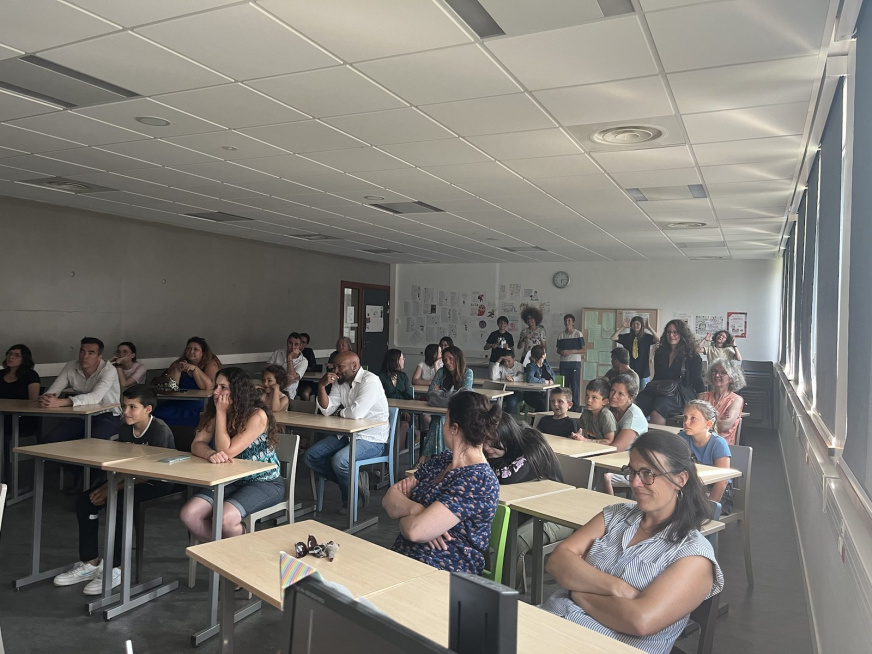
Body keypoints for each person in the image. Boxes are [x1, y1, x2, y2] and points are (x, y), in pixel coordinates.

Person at [542, 430, 724, 654]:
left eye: (648, 473)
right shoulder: (615, 515)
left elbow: (640, 620)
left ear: (680, 479)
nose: (636, 483)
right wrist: (617, 588)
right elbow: (558, 561)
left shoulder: (693, 554)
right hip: (548, 626)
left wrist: (576, 592)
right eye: (632, 472)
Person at [52, 385, 175, 595]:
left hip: (158, 481)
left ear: (148, 409)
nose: (126, 412)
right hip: (129, 478)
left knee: (119, 503)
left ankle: (116, 567)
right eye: (124, 406)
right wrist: (107, 486)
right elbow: (122, 465)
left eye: (132, 407)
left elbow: (151, 473)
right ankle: (91, 563)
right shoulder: (126, 428)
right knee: (86, 501)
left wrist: (112, 490)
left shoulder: (159, 430)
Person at [385, 392, 500, 575]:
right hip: (404, 560)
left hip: (445, 571)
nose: (443, 426)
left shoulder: (480, 480)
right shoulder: (442, 460)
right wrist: (419, 510)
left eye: (445, 420)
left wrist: (406, 516)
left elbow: (415, 531)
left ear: (454, 428)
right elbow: (390, 497)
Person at [180, 368, 284, 541]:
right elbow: (197, 444)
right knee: (189, 515)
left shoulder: (257, 415)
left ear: (237, 390)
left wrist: (221, 412)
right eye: (216, 386)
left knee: (225, 519)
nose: (216, 392)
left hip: (264, 481)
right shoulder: (217, 413)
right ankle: (221, 552)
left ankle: (240, 550)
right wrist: (209, 453)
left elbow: (226, 451)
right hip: (230, 479)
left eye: (223, 387)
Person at [484, 413, 571, 585]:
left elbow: (507, 478)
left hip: (557, 514)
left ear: (507, 436)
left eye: (492, 442)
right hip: (525, 508)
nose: (486, 448)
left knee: (515, 541)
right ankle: (482, 583)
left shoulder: (532, 443)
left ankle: (507, 593)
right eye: (483, 441)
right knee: (480, 525)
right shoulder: (504, 447)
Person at [305, 351, 390, 515]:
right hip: (346, 434)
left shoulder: (370, 381)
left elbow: (356, 413)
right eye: (334, 367)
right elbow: (327, 410)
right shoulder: (340, 382)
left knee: (340, 461)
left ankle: (350, 499)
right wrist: (321, 386)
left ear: (354, 366)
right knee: (311, 456)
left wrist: (340, 412)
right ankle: (356, 483)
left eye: (340, 367)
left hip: (372, 438)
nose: (336, 371)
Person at [39, 337, 122, 444]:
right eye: (82, 352)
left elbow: (95, 397)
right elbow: (54, 390)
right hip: (81, 414)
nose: (84, 356)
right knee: (51, 440)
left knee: (93, 443)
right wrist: (47, 399)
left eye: (91, 353)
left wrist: (62, 402)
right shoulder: (71, 366)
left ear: (99, 357)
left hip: (108, 415)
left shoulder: (109, 370)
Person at [635, 320, 705, 425]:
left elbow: (698, 381)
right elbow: (657, 377)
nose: (671, 335)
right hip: (662, 389)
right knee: (637, 403)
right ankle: (633, 433)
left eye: (675, 332)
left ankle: (656, 436)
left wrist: (698, 406)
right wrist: (647, 391)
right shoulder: (660, 352)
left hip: (681, 393)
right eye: (669, 332)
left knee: (659, 406)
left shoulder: (692, 355)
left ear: (682, 334)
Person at [152, 337, 222, 428]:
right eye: (188, 348)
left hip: (198, 404)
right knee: (158, 413)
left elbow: (209, 386)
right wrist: (177, 370)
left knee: (200, 418)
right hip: (177, 402)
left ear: (203, 353)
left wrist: (195, 369)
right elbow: (171, 387)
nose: (191, 351)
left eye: (195, 349)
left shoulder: (211, 364)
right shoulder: (178, 363)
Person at [679, 400, 733, 515]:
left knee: (690, 512)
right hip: (693, 486)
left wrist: (708, 507)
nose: (686, 422)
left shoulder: (718, 444)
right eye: (685, 417)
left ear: (708, 424)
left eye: (693, 418)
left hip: (718, 491)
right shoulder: (681, 438)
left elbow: (722, 481)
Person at [420, 346, 474, 461]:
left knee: (439, 421)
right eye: (445, 360)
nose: (448, 362)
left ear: (458, 358)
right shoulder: (441, 372)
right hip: (441, 413)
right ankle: (440, 459)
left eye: (450, 358)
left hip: (459, 415)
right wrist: (453, 394)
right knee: (438, 420)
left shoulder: (467, 373)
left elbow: (464, 396)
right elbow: (430, 393)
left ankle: (425, 458)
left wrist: (441, 393)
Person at [603, 374, 649, 495]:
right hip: (608, 462)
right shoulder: (608, 409)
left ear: (630, 398)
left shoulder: (634, 417)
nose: (613, 396)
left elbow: (615, 449)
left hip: (630, 468)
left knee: (592, 477)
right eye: (612, 391)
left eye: (620, 394)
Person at [1, 344, 40, 470]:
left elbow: (33, 401)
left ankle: (5, 475)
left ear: (24, 359)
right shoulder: (1, 374)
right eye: (9, 353)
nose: (11, 357)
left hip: (21, 418)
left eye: (16, 355)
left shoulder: (30, 375)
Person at [699, 358, 746, 445]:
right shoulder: (702, 397)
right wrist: (718, 418)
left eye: (723, 372)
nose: (717, 375)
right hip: (700, 443)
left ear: (731, 378)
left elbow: (724, 426)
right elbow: (693, 421)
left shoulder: (736, 400)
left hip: (722, 446)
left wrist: (704, 418)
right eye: (715, 371)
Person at [611, 316, 659, 390]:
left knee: (644, 392)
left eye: (638, 324)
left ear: (641, 325)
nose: (635, 325)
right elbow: (613, 337)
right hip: (630, 370)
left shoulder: (646, 337)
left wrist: (649, 328)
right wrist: (623, 327)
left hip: (644, 371)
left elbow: (658, 339)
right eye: (633, 324)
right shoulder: (627, 337)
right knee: (630, 391)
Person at [266, 332, 308, 399]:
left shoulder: (303, 361)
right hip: (270, 388)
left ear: (300, 346)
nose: (292, 347)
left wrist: (289, 358)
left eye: (296, 344)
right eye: (290, 343)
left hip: (287, 394)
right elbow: (267, 370)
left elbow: (292, 377)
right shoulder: (278, 353)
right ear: (287, 343)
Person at [556, 314, 585, 409]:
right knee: (564, 387)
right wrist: (561, 352)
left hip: (575, 364)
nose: (567, 323)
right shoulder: (561, 335)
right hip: (564, 364)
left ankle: (575, 408)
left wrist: (571, 351)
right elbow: (558, 350)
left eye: (569, 320)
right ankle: (564, 406)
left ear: (573, 322)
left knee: (575, 387)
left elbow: (583, 350)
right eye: (565, 321)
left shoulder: (578, 334)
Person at [576, 379, 617, 444]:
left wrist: (586, 440)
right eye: (587, 395)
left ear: (605, 401)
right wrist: (577, 436)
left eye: (594, 397)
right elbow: (581, 432)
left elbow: (609, 441)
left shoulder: (605, 415)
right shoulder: (585, 414)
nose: (589, 400)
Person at [524, 345, 555, 412]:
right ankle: (537, 418)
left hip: (547, 392)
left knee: (553, 403)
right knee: (543, 405)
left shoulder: (546, 365)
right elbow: (530, 379)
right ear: (543, 355)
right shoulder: (531, 366)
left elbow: (553, 375)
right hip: (534, 393)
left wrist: (551, 380)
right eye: (545, 352)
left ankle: (540, 417)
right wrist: (544, 381)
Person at [296, 333, 319, 401]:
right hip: (295, 381)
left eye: (303, 342)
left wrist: (301, 369)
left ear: (306, 344)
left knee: (305, 393)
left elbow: (313, 366)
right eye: (300, 341)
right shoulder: (291, 352)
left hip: (307, 381)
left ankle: (306, 407)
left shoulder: (308, 351)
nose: (301, 344)